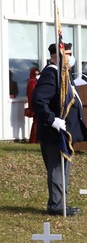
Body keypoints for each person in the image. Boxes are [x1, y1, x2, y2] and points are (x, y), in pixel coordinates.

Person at [32, 43, 87, 216]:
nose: (71, 58)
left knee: (63, 168)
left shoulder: (63, 74)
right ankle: (56, 205)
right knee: (57, 169)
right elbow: (39, 100)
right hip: (54, 132)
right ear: (58, 55)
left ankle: (61, 203)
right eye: (68, 54)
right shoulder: (51, 73)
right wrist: (52, 120)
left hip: (64, 132)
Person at [26, 67, 40, 143]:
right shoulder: (32, 82)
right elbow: (32, 94)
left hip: (37, 103)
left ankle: (36, 139)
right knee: (36, 122)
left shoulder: (35, 81)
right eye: (36, 73)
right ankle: (34, 139)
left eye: (38, 73)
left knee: (38, 122)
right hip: (35, 104)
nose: (37, 74)